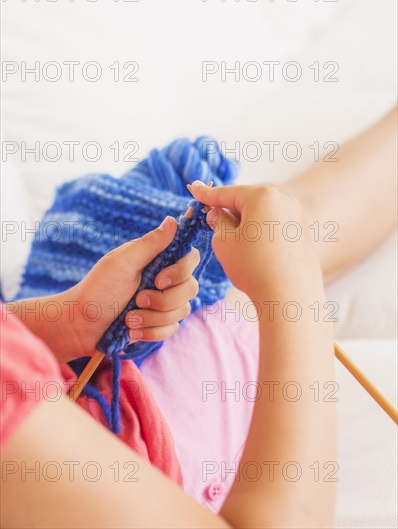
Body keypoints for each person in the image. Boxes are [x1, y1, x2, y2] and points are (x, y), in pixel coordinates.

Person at [1, 106, 396, 528]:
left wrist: (66, 323)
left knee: (305, 225)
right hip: (163, 422)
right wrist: (295, 295)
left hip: (117, 393)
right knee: (303, 230)